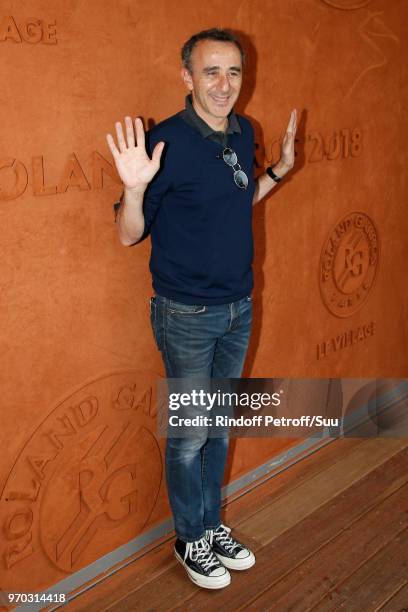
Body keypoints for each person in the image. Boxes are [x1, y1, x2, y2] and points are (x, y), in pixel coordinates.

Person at [107, 28, 297, 590]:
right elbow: (127, 236)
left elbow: (239, 197)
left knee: (217, 426)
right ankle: (190, 538)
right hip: (185, 315)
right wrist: (136, 190)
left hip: (238, 306)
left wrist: (280, 169)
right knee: (191, 435)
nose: (224, 84)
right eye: (211, 71)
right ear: (186, 77)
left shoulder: (244, 132)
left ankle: (212, 525)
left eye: (234, 72)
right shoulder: (164, 143)